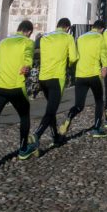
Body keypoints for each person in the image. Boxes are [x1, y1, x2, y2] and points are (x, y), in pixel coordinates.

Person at [0, 20, 37, 170]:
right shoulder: (27, 42)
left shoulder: (3, 42)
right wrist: (27, 66)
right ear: (29, 32)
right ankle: (23, 149)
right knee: (24, 116)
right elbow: (29, 57)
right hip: (16, 87)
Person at [32, 18, 77, 149]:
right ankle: (37, 134)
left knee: (50, 109)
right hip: (56, 79)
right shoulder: (68, 37)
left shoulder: (45, 37)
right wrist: (69, 64)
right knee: (51, 111)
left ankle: (55, 136)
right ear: (67, 28)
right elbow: (73, 58)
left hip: (43, 78)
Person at [60, 20, 107, 138]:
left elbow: (75, 55)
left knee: (79, 105)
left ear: (92, 27)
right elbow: (104, 54)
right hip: (94, 75)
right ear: (101, 29)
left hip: (80, 75)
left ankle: (69, 117)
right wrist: (105, 67)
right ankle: (97, 128)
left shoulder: (80, 38)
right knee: (99, 101)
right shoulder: (100, 37)